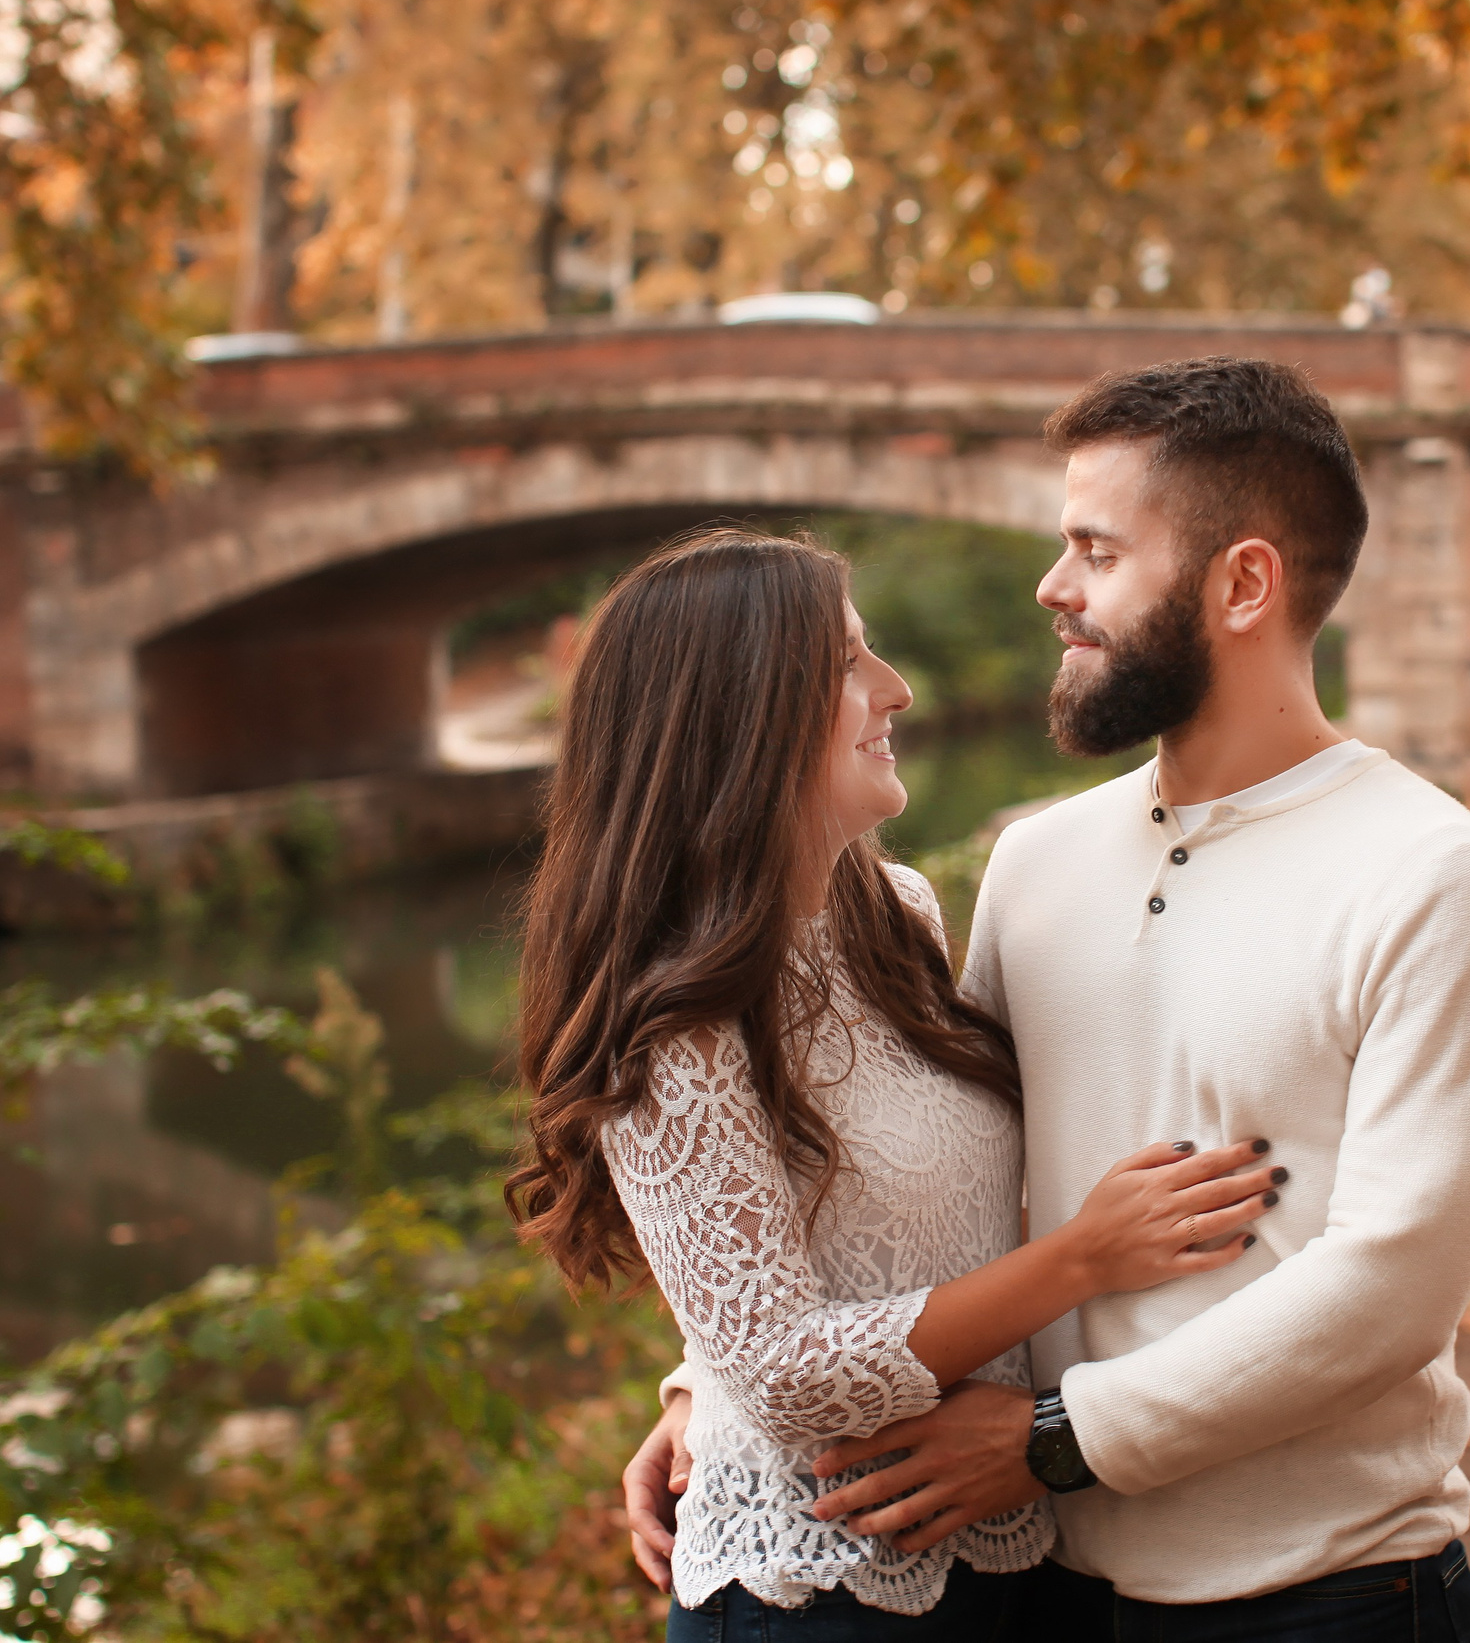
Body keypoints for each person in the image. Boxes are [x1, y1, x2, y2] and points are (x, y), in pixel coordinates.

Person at [625, 359, 1470, 1642]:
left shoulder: (1434, 877)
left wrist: (1057, 1440)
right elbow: (929, 1161)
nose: (1052, 586)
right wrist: (715, 1380)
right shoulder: (1037, 860)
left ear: (1242, 584)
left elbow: (1390, 1292)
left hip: (1320, 1592)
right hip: (1046, 1588)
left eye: (1096, 551)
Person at [505, 527, 1289, 1640]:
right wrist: (1082, 1256)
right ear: (737, 714)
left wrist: (697, 1383)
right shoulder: (669, 1025)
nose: (897, 689)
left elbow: (848, 1241)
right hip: (823, 1586)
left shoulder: (892, 914)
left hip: (1010, 1536)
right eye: (846, 663)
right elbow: (780, 1372)